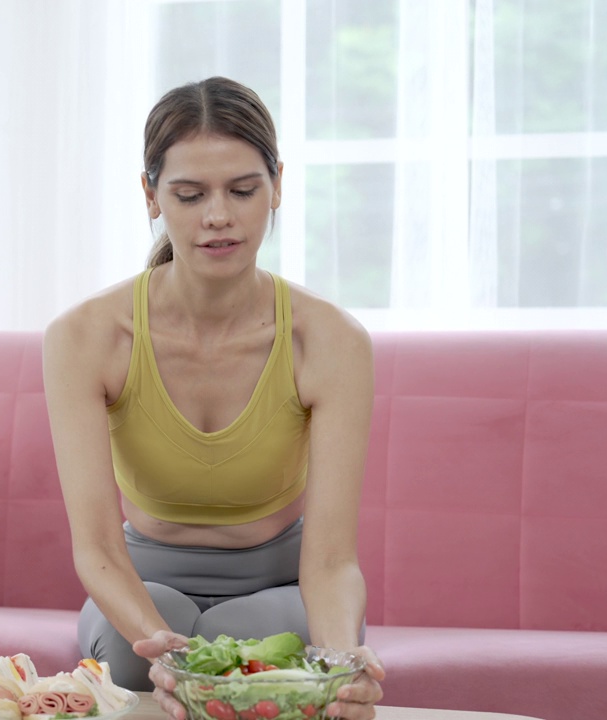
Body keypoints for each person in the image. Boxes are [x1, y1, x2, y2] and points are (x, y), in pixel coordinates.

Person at [41, 76, 386, 720]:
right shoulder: (85, 337)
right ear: (151, 195)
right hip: (140, 585)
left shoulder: (332, 341)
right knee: (132, 648)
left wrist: (340, 664)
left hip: (281, 584)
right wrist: (159, 649)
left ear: (277, 185)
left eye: (244, 190)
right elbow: (95, 547)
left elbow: (334, 559)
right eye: (190, 194)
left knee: (267, 649)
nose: (218, 216)